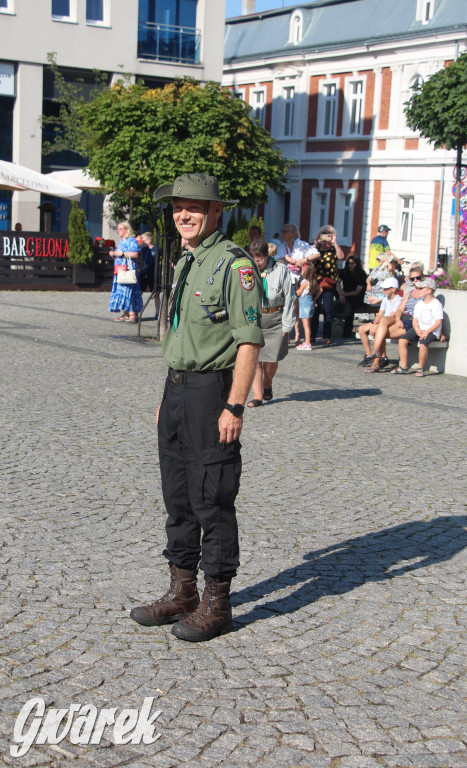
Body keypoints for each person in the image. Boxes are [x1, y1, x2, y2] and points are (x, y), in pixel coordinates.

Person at [130, 173, 264, 642]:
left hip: (213, 393)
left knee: (212, 496)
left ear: (215, 212)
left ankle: (219, 603)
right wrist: (167, 398)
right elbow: (183, 338)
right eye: (177, 207)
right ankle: (182, 591)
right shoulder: (187, 261)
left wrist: (235, 406)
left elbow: (249, 343)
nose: (182, 214)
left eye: (193, 207)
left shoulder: (234, 265)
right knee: (178, 495)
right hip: (178, 390)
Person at [247, 239, 294, 406]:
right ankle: (257, 396)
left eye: (259, 259)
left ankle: (267, 382)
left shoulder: (281, 270)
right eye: (253, 258)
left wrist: (288, 324)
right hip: (255, 318)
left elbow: (289, 298)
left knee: (272, 359)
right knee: (254, 359)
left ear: (267, 256)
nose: (256, 262)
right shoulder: (247, 270)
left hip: (275, 319)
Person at [364, 265, 424, 368]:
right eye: (412, 279)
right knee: (382, 322)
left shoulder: (425, 292)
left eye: (417, 278)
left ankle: (376, 361)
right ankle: (376, 353)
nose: (415, 280)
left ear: (422, 277)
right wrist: (397, 319)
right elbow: (400, 309)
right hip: (403, 317)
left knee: (380, 331)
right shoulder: (410, 292)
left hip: (413, 321)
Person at [276, 223, 320, 343]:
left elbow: (317, 254)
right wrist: (285, 258)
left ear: (292, 233)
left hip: (301, 280)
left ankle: (298, 334)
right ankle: (288, 335)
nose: (282, 234)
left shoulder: (302, 245)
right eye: (282, 231)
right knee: (289, 307)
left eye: (285, 232)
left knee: (299, 308)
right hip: (288, 280)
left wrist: (303, 260)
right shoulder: (282, 246)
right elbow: (275, 258)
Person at [392, 277, 443, 376]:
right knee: (402, 340)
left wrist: (427, 331)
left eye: (421, 289)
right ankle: (404, 366)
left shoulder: (436, 304)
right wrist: (416, 329)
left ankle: (420, 368)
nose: (418, 290)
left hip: (431, 331)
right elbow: (415, 320)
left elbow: (438, 322)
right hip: (419, 329)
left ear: (429, 290)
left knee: (423, 344)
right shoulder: (419, 303)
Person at [357, 277, 401, 367]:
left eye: (386, 288)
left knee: (379, 330)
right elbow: (380, 313)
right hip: (382, 321)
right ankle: (369, 355)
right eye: (383, 288)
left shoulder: (399, 300)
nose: (383, 290)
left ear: (393, 289)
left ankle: (383, 357)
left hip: (391, 322)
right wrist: (374, 324)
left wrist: (376, 325)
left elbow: (392, 315)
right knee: (361, 329)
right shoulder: (386, 298)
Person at [310, 225, 342, 345]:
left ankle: (326, 335)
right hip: (317, 282)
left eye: (329, 235)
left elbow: (341, 256)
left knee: (328, 309)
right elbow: (308, 257)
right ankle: (312, 335)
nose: (326, 238)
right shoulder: (317, 249)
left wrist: (335, 243)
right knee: (315, 308)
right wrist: (316, 243)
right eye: (324, 234)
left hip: (329, 282)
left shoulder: (334, 249)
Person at [108, 222, 142, 322]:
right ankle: (125, 314)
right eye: (117, 229)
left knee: (129, 291)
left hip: (128, 271)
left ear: (127, 229)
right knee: (122, 292)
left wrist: (122, 253)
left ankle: (132, 314)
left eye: (120, 229)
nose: (118, 231)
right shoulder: (122, 241)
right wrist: (114, 253)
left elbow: (135, 254)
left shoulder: (131, 240)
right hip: (120, 271)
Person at [338, 256, 368, 338]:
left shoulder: (362, 274)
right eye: (348, 263)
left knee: (350, 306)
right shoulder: (344, 272)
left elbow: (357, 291)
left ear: (356, 264)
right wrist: (340, 294)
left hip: (356, 297)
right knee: (336, 303)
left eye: (352, 264)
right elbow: (338, 283)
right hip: (345, 295)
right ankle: (336, 328)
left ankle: (347, 332)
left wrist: (344, 295)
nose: (350, 265)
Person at [296, 262, 321, 351]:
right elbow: (320, 290)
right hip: (310, 302)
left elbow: (298, 293)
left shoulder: (304, 282)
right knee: (308, 324)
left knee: (306, 326)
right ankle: (307, 341)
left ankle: (307, 343)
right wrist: (315, 299)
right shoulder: (313, 281)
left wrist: (296, 288)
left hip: (304, 304)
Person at [139, 231, 161, 318]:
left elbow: (166, 258)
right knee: (140, 292)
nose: (142, 242)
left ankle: (158, 312)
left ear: (149, 240)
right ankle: (137, 311)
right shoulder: (142, 248)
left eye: (143, 240)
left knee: (156, 293)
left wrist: (173, 266)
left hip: (154, 273)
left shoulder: (157, 249)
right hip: (144, 272)